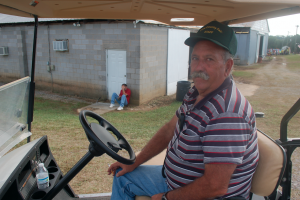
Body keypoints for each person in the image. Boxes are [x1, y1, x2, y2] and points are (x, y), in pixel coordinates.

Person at [108, 21, 259, 200]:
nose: (198, 67)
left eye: (209, 59)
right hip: (173, 181)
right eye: (195, 58)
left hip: (204, 196)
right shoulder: (196, 92)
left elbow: (215, 187)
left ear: (227, 66)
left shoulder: (227, 114)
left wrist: (166, 198)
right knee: (122, 176)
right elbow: (168, 131)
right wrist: (134, 162)